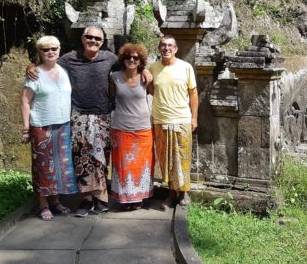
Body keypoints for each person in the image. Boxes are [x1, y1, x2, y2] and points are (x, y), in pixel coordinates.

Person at [26, 25, 151, 217]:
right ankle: (86, 199)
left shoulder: (109, 58)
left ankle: (101, 198)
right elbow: (48, 62)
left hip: (102, 116)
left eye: (98, 39)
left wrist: (146, 71)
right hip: (78, 115)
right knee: (81, 157)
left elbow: (131, 65)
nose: (93, 41)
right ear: (83, 39)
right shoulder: (69, 59)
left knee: (100, 159)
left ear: (102, 43)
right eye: (90, 37)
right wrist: (31, 66)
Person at [21, 35, 78, 221]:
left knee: (60, 166)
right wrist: (26, 128)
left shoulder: (64, 70)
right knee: (43, 168)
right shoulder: (35, 74)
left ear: (59, 50)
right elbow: (25, 101)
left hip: (62, 125)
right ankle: (43, 204)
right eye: (45, 50)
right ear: (39, 52)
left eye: (54, 48)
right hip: (42, 126)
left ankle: (55, 201)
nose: (50, 52)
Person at [148, 35, 198, 208]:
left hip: (182, 119)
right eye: (163, 45)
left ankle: (183, 192)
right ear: (159, 48)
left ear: (176, 49)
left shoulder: (186, 67)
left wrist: (194, 118)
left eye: (170, 46)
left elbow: (193, 94)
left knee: (182, 159)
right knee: (166, 160)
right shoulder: (153, 68)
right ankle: (170, 193)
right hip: (160, 120)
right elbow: (150, 90)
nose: (166, 48)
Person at [108, 43, 154, 210]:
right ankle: (125, 198)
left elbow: (156, 93)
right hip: (121, 128)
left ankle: (139, 198)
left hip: (143, 128)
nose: (132, 60)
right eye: (128, 57)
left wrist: (147, 71)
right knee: (123, 165)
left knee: (142, 165)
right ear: (123, 59)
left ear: (141, 61)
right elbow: (111, 98)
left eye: (135, 57)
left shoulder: (146, 78)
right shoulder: (114, 77)